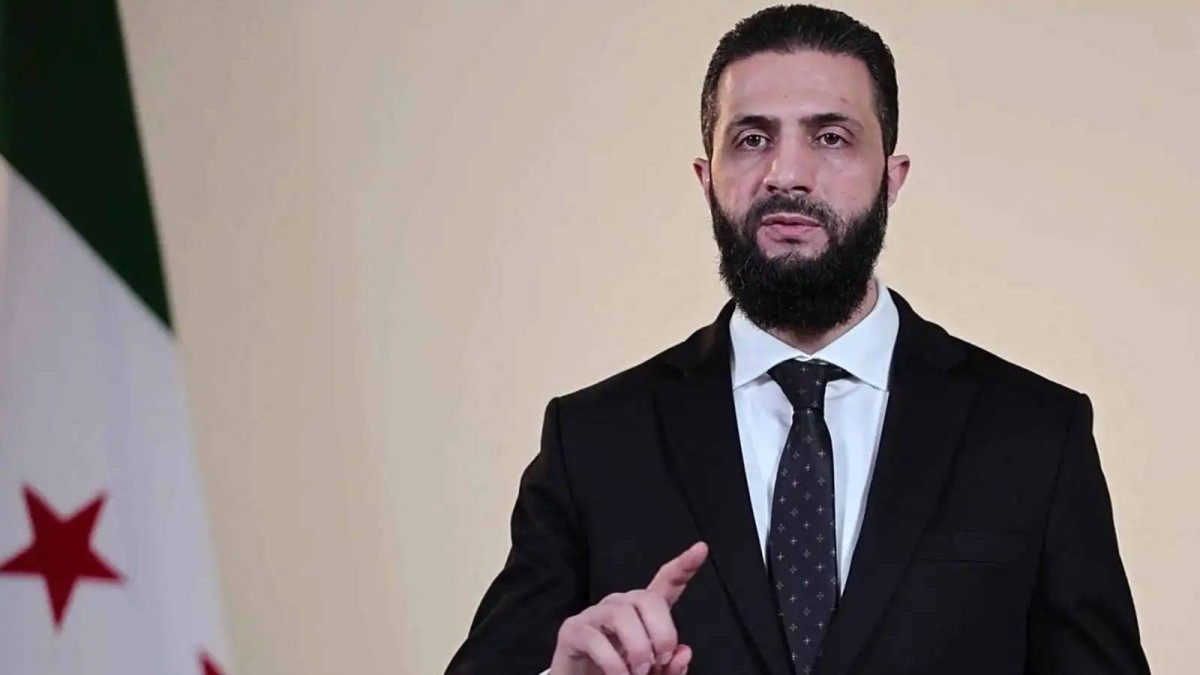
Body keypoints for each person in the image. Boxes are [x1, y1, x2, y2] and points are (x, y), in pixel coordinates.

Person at [445, 4, 1151, 675]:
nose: (787, 175)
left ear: (891, 178)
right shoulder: (594, 441)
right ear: (707, 179)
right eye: (752, 139)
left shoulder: (1035, 433)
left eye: (831, 137)